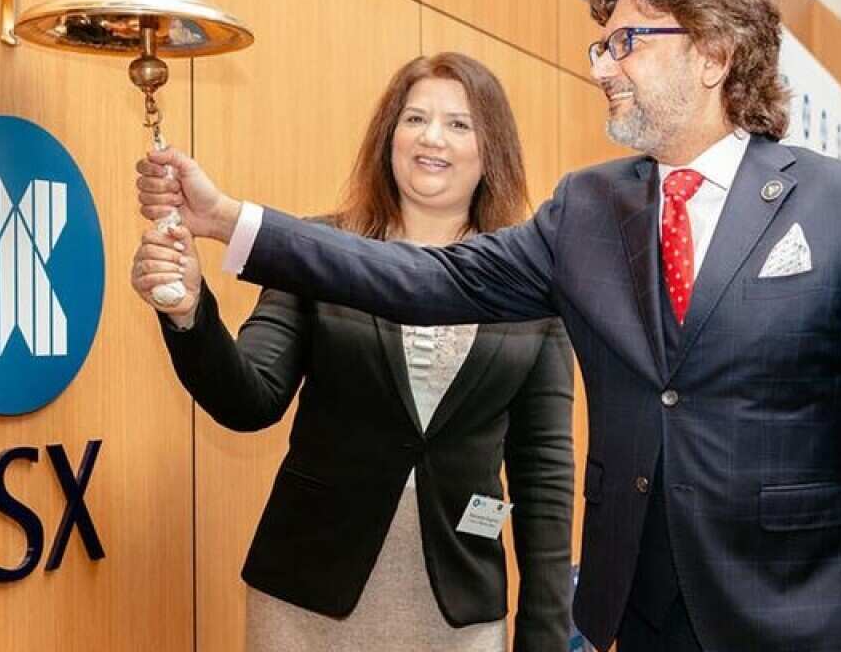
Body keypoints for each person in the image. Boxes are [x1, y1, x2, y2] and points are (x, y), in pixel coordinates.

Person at [137, 0, 841, 651]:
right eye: (602, 47)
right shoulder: (588, 209)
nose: (603, 67)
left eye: (627, 43)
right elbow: (432, 279)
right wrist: (229, 220)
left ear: (713, 54)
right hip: (637, 611)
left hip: (796, 613)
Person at [131, 52, 575, 652]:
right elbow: (248, 399)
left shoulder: (531, 284)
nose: (432, 139)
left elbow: (543, 474)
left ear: (491, 149)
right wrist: (188, 312)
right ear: (389, 137)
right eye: (414, 119)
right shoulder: (314, 251)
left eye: (459, 123)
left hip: (460, 606)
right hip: (307, 596)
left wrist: (544, 636)